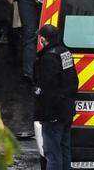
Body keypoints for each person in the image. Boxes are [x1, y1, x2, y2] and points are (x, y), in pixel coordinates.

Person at [34, 24, 78, 170]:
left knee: (52, 154)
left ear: (44, 40)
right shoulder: (65, 53)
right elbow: (73, 81)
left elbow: (48, 90)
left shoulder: (48, 58)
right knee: (64, 149)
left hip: (54, 114)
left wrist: (46, 113)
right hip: (66, 110)